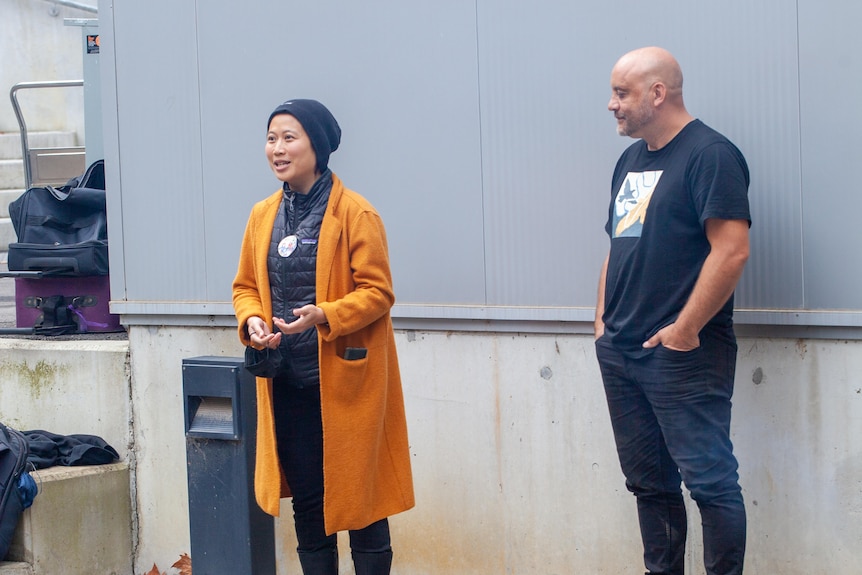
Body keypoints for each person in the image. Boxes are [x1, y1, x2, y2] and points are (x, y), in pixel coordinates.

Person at [232, 99, 415, 575]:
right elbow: (246, 287)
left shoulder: (355, 213)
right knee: (309, 502)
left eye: (289, 138)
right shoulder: (261, 215)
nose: (277, 149)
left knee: (361, 503)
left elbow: (379, 292)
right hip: (286, 382)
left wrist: (325, 314)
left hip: (344, 385)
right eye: (271, 138)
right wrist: (252, 321)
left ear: (318, 146)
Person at [594, 47, 751, 575]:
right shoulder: (632, 159)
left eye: (622, 93)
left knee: (709, 483)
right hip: (623, 351)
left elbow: (731, 250)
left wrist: (685, 330)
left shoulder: (710, 155)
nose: (611, 105)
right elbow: (620, 243)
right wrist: (602, 325)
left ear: (657, 94)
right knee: (649, 485)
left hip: (683, 355)